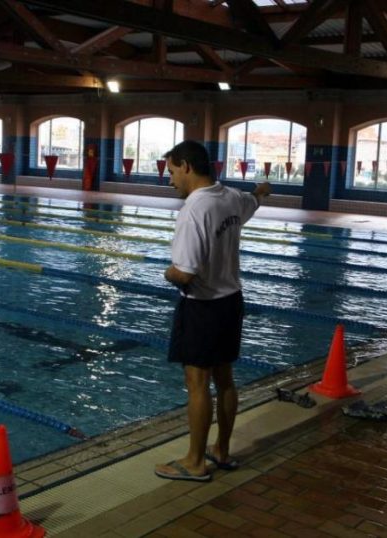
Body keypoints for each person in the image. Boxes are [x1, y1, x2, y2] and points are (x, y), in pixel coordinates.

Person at [154, 140, 271, 482]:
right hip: (232, 300)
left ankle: (194, 462)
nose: (171, 179)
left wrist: (167, 272)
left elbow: (185, 272)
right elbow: (254, 201)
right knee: (226, 380)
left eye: (173, 171)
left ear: (187, 167)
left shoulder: (194, 209)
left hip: (202, 306)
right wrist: (262, 190)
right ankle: (220, 450)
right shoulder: (231, 196)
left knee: (197, 383)